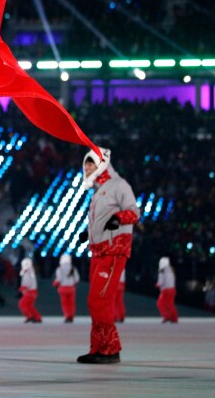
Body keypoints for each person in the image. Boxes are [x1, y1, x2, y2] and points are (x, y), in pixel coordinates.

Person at [77, 147, 140, 365]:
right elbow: (101, 219)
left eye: (91, 163)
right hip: (99, 251)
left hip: (114, 252)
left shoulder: (119, 185)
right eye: (85, 163)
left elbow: (134, 211)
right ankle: (98, 348)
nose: (87, 167)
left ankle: (111, 349)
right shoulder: (98, 190)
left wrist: (119, 219)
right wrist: (89, 233)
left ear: (102, 163)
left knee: (99, 300)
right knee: (95, 301)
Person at [53, 254, 80, 323]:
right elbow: (77, 279)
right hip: (71, 288)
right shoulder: (73, 268)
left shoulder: (60, 269)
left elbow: (59, 279)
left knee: (65, 304)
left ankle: (67, 316)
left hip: (63, 288)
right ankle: (71, 316)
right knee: (71, 303)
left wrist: (55, 283)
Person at [18, 258, 42, 323]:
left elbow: (27, 282)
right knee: (29, 305)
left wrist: (23, 287)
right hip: (32, 292)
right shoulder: (31, 272)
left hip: (29, 292)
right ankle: (35, 317)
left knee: (22, 304)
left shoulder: (27, 272)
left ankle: (31, 316)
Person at [156, 256, 179, 324]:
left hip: (166, 290)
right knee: (170, 304)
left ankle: (167, 316)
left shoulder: (162, 271)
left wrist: (158, 284)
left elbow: (161, 281)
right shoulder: (171, 270)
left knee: (160, 304)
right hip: (172, 289)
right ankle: (174, 318)